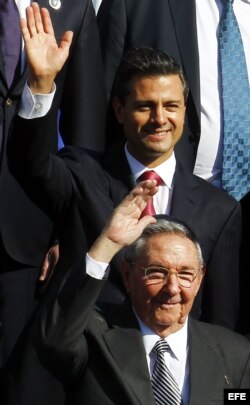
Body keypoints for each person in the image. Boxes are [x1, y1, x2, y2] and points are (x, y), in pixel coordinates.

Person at [9, 23, 242, 330]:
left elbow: (220, 326)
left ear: (185, 111)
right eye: (145, 106)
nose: (160, 119)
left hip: (171, 366)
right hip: (89, 359)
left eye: (171, 106)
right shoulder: (82, 174)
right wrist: (40, 85)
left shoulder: (219, 209)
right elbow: (31, 164)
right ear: (119, 110)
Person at [96, 0, 250, 332]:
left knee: (231, 356)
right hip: (167, 209)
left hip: (235, 217)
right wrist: (67, 226)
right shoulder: (137, 5)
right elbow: (94, 110)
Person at [32, 180, 250, 405]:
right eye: (156, 272)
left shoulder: (235, 354)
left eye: (185, 274)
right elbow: (54, 338)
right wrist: (108, 243)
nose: (172, 288)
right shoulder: (92, 337)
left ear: (200, 279)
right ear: (128, 275)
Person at [0, 1, 106, 404]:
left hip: (31, 236)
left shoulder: (74, 9)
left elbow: (85, 136)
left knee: (21, 379)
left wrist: (70, 230)